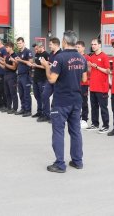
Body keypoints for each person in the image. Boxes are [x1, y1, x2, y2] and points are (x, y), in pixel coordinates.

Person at [39, 30, 87, 173]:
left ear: (64, 42)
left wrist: (47, 67)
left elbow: (52, 79)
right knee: (75, 131)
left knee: (58, 132)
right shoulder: (81, 58)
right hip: (77, 100)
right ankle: (77, 161)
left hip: (61, 101)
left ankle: (60, 164)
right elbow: (84, 79)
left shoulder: (59, 58)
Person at [86, 38, 110, 133]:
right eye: (92, 44)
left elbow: (108, 71)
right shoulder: (91, 56)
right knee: (94, 107)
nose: (93, 46)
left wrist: (96, 66)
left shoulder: (104, 56)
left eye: (95, 44)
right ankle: (95, 124)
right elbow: (90, 72)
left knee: (103, 107)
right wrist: (89, 66)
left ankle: (106, 125)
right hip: (93, 87)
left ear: (100, 45)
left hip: (102, 87)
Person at [39, 37, 62, 123]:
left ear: (56, 45)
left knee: (56, 99)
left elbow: (58, 66)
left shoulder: (61, 54)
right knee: (44, 95)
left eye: (50, 44)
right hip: (49, 78)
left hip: (58, 79)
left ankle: (55, 117)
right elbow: (51, 64)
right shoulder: (51, 54)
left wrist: (48, 65)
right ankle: (46, 115)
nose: (49, 46)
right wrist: (46, 63)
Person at [13, 37, 33, 116]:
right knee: (21, 93)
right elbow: (18, 63)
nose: (19, 44)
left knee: (26, 94)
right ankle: (23, 108)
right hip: (19, 75)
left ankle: (28, 110)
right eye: (17, 43)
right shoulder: (18, 53)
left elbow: (30, 63)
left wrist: (20, 60)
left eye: (20, 43)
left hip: (26, 75)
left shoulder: (28, 51)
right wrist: (14, 61)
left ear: (23, 43)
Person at [0, 41, 18, 113]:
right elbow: (5, 67)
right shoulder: (7, 55)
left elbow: (13, 68)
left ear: (11, 47)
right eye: (5, 47)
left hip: (12, 75)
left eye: (7, 47)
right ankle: (9, 107)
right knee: (7, 92)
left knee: (13, 92)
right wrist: (0, 64)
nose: (6, 49)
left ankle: (15, 108)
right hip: (6, 75)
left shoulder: (14, 56)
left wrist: (5, 64)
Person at [31, 43, 49, 118]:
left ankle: (46, 114)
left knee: (44, 96)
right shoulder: (37, 55)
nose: (36, 50)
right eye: (35, 49)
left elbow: (47, 67)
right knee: (37, 96)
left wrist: (37, 65)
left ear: (41, 47)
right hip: (35, 78)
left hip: (43, 79)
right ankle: (39, 111)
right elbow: (36, 64)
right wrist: (33, 66)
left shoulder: (46, 54)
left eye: (37, 49)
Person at [75, 40, 90, 129]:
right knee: (76, 102)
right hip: (75, 83)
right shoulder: (75, 57)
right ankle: (77, 118)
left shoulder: (87, 57)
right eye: (76, 47)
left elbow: (89, 71)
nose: (77, 48)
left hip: (84, 83)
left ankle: (84, 119)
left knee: (83, 102)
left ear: (83, 48)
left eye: (78, 47)